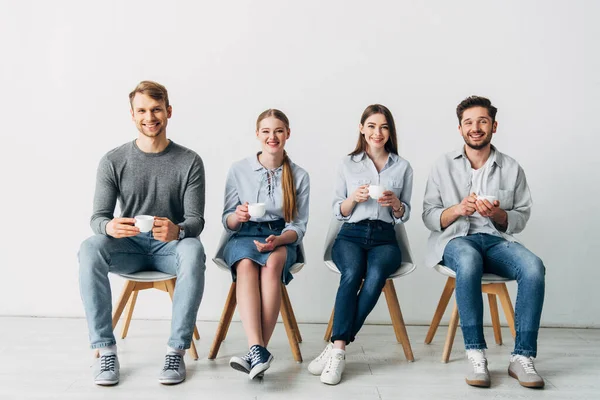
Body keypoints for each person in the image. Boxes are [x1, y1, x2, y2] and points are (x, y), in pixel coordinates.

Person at [78, 81, 206, 386]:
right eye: (142, 111)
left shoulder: (189, 161)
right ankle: (105, 350)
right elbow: (98, 218)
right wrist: (109, 227)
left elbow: (196, 222)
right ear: (133, 116)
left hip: (168, 249)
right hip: (128, 248)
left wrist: (179, 230)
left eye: (156, 109)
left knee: (194, 249)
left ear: (168, 111)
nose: (150, 117)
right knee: (90, 247)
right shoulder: (113, 160)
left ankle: (176, 350)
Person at [422, 96, 546, 389]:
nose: (475, 127)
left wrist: (499, 214)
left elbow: (521, 216)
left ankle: (522, 357)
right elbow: (429, 217)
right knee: (468, 260)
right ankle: (476, 353)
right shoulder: (442, 165)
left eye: (482, 121)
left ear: (494, 126)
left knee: (533, 267)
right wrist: (457, 210)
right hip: (456, 240)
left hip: (496, 240)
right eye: (469, 122)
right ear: (460, 128)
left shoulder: (511, 167)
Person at [308, 104, 413, 385]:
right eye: (372, 126)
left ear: (390, 131)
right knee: (352, 273)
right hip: (351, 235)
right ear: (361, 128)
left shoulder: (402, 166)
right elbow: (337, 210)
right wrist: (353, 198)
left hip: (385, 239)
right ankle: (340, 350)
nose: (377, 133)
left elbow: (405, 214)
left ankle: (334, 348)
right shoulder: (347, 164)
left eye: (384, 127)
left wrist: (396, 204)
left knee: (376, 276)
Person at [221, 109, 310, 379]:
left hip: (280, 236)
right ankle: (257, 350)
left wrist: (279, 240)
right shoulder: (238, 169)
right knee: (246, 264)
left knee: (272, 265)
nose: (273, 137)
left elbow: (298, 226)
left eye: (279, 131)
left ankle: (257, 352)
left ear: (288, 134)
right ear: (258, 135)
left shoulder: (299, 175)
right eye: (267, 131)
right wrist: (237, 216)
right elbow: (226, 220)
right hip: (244, 235)